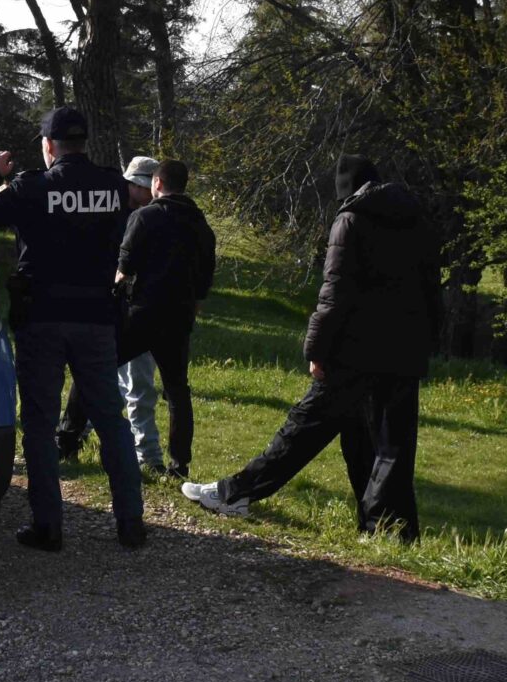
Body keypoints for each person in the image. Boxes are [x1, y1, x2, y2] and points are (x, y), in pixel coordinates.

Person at [183, 155, 440, 538]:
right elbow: (432, 292)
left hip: (353, 350)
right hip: (403, 351)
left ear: (345, 188)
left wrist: (316, 349)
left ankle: (234, 493)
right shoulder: (417, 221)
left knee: (302, 428)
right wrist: (426, 343)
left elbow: (334, 293)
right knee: (386, 445)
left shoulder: (350, 220)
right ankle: (389, 530)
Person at [0, 105, 145, 551]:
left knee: (40, 424)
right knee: (109, 419)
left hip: (42, 317)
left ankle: (49, 526)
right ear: (85, 144)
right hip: (97, 319)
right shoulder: (113, 187)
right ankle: (131, 523)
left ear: (48, 146)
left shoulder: (32, 186)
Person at [116, 159, 216, 478]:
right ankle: (179, 463)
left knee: (100, 363)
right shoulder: (201, 225)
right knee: (177, 391)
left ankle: (70, 434)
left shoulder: (145, 216)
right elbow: (205, 279)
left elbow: (124, 268)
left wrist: (117, 292)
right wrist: (192, 310)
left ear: (157, 183)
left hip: (144, 312)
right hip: (179, 316)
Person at [58, 153, 158, 466]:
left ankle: (72, 436)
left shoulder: (139, 213)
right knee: (94, 373)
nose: (148, 195)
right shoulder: (114, 210)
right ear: (136, 185)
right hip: (101, 301)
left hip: (120, 304)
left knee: (100, 374)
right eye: (145, 188)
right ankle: (70, 437)